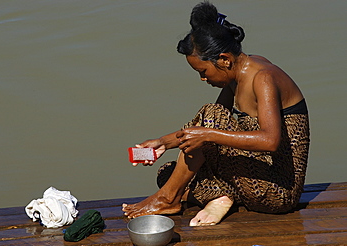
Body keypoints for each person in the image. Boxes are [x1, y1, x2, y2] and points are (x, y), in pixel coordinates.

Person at [122, 1, 310, 226]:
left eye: (203, 72)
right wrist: (163, 143)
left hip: (278, 191)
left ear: (224, 59)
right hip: (254, 174)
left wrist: (208, 135)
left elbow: (270, 140)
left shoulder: (263, 78)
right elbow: (211, 125)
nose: (203, 79)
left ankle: (168, 198)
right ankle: (220, 197)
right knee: (168, 173)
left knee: (207, 122)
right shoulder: (234, 76)